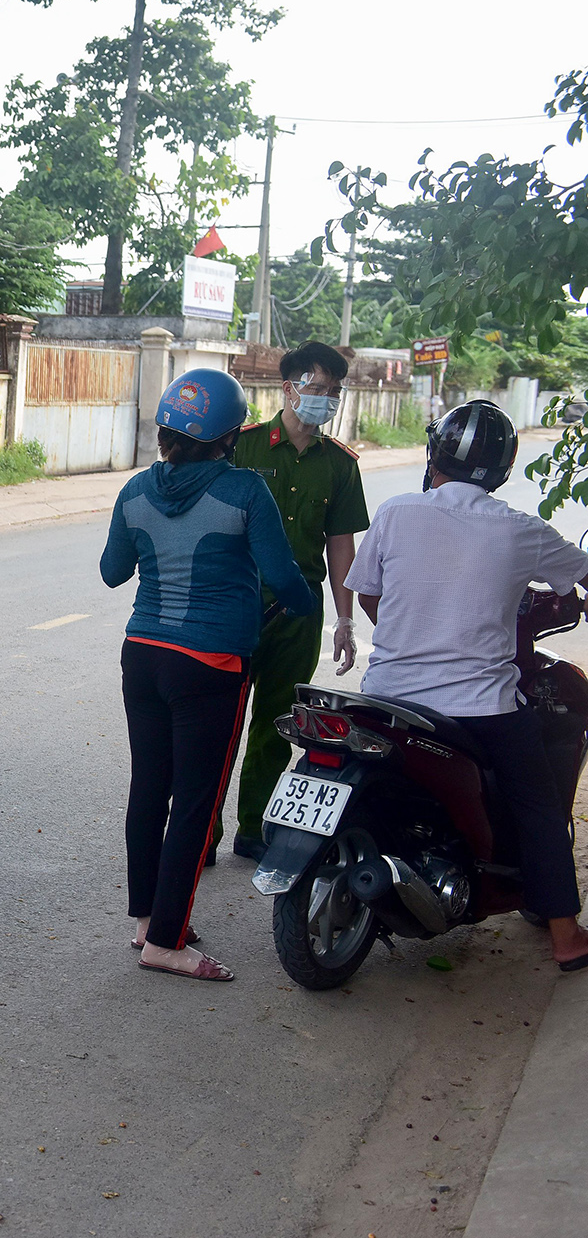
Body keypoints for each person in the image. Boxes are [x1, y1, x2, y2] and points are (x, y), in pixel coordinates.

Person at [345, 400, 588, 971]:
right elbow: (579, 576)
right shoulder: (522, 530)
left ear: (434, 459)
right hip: (480, 708)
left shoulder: (398, 511)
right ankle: (565, 936)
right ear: (504, 472)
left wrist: (414, 635)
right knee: (541, 806)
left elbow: (369, 593)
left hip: (386, 698)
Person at [101, 369, 317, 981]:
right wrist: (300, 605)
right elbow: (286, 582)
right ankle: (166, 943)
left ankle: (147, 918)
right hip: (212, 664)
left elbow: (112, 572)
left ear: (167, 428)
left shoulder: (137, 490)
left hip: (141, 655)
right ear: (231, 436)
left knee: (150, 788)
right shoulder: (245, 491)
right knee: (196, 802)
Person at [227, 341, 370, 862]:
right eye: (317, 387)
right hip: (235, 606)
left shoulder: (339, 464)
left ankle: (252, 829)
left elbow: (340, 546)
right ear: (288, 388)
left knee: (273, 726)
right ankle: (199, 836)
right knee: (220, 723)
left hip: (298, 614)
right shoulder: (241, 448)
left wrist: (346, 619)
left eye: (335, 391)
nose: (326, 399)